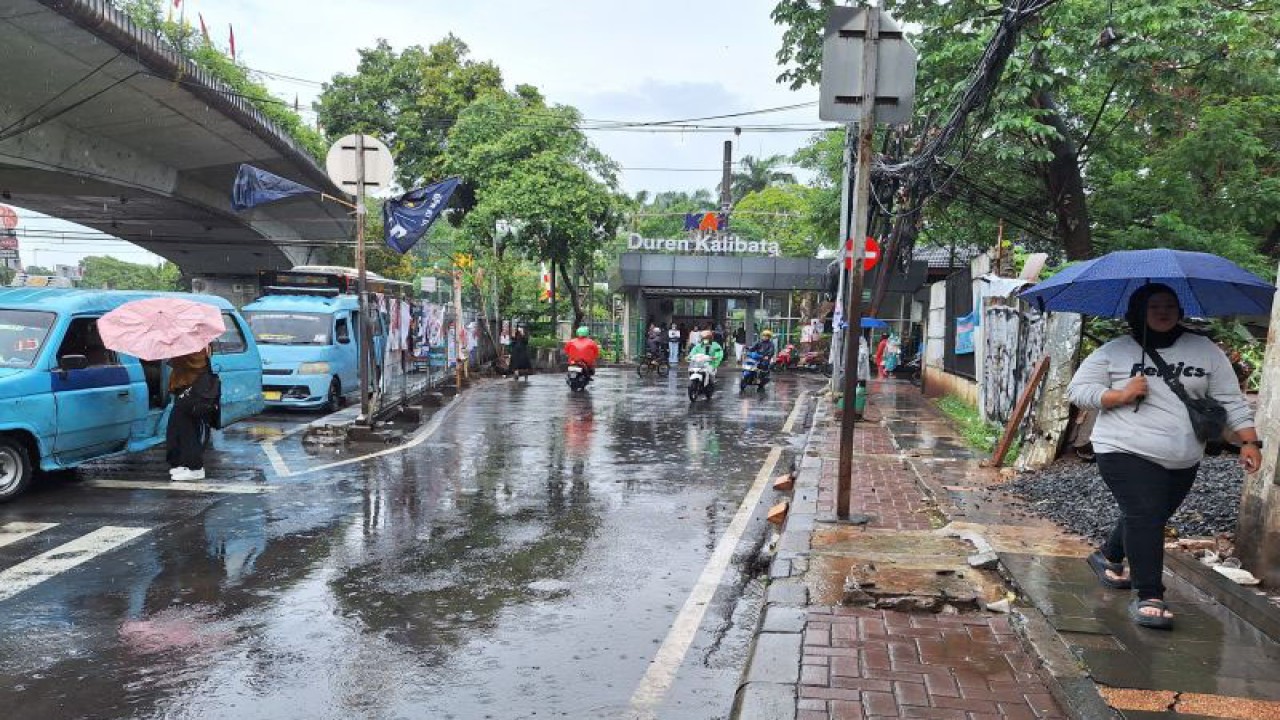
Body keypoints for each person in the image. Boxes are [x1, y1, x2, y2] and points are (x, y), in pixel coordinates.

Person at [1067, 283, 1260, 630]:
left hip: (1184, 455)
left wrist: (1249, 442)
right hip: (1123, 448)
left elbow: (1230, 399)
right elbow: (1078, 391)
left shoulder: (1205, 351)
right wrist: (1120, 395)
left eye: (1170, 305)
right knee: (1146, 515)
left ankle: (1108, 555)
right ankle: (1149, 595)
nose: (1163, 311)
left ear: (1180, 311)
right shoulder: (1116, 351)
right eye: (1154, 305)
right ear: (1139, 311)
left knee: (1148, 514)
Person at [167, 348, 212, 481]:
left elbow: (189, 365)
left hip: (190, 393)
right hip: (189, 392)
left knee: (188, 430)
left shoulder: (191, 346)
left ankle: (195, 468)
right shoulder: (195, 343)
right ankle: (184, 463)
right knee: (178, 429)